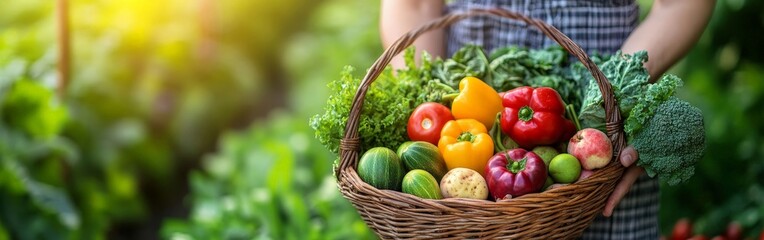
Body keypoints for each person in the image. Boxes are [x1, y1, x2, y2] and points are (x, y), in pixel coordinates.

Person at [380, 0, 714, 239]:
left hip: (603, 129)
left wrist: (617, 98)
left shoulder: (608, 107)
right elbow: (414, 5)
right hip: (467, 112)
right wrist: (429, 109)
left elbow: (680, 4)